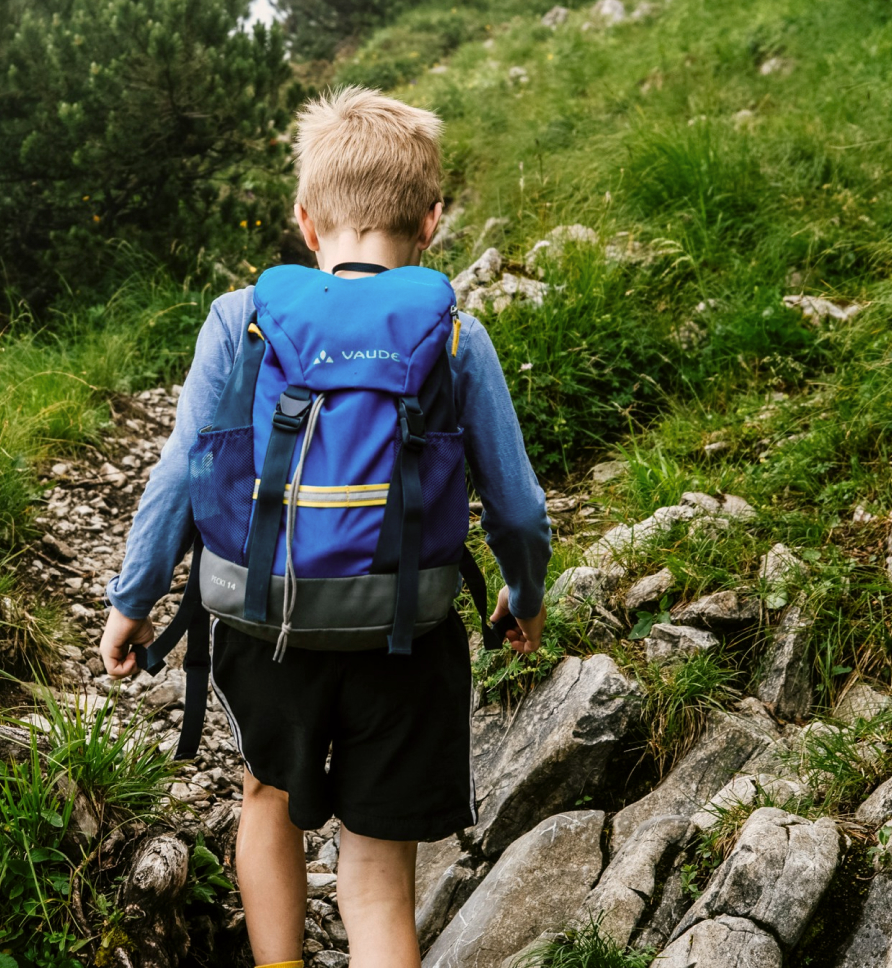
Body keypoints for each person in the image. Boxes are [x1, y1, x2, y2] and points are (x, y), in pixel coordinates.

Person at [97, 87, 552, 968]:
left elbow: (180, 475)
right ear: (432, 222)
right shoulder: (455, 332)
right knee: (378, 871)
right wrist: (523, 594)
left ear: (305, 221)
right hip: (405, 636)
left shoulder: (242, 318)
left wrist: (134, 598)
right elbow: (518, 508)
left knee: (266, 796)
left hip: (265, 623)